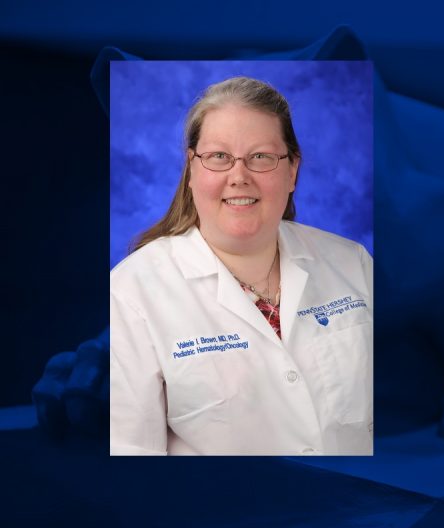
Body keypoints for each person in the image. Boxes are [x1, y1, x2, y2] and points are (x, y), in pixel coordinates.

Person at [110, 77, 373, 456]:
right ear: (192, 169)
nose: (239, 177)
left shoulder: (353, 263)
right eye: (219, 157)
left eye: (261, 157)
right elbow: (131, 459)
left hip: (366, 508)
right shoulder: (132, 293)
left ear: (292, 171)